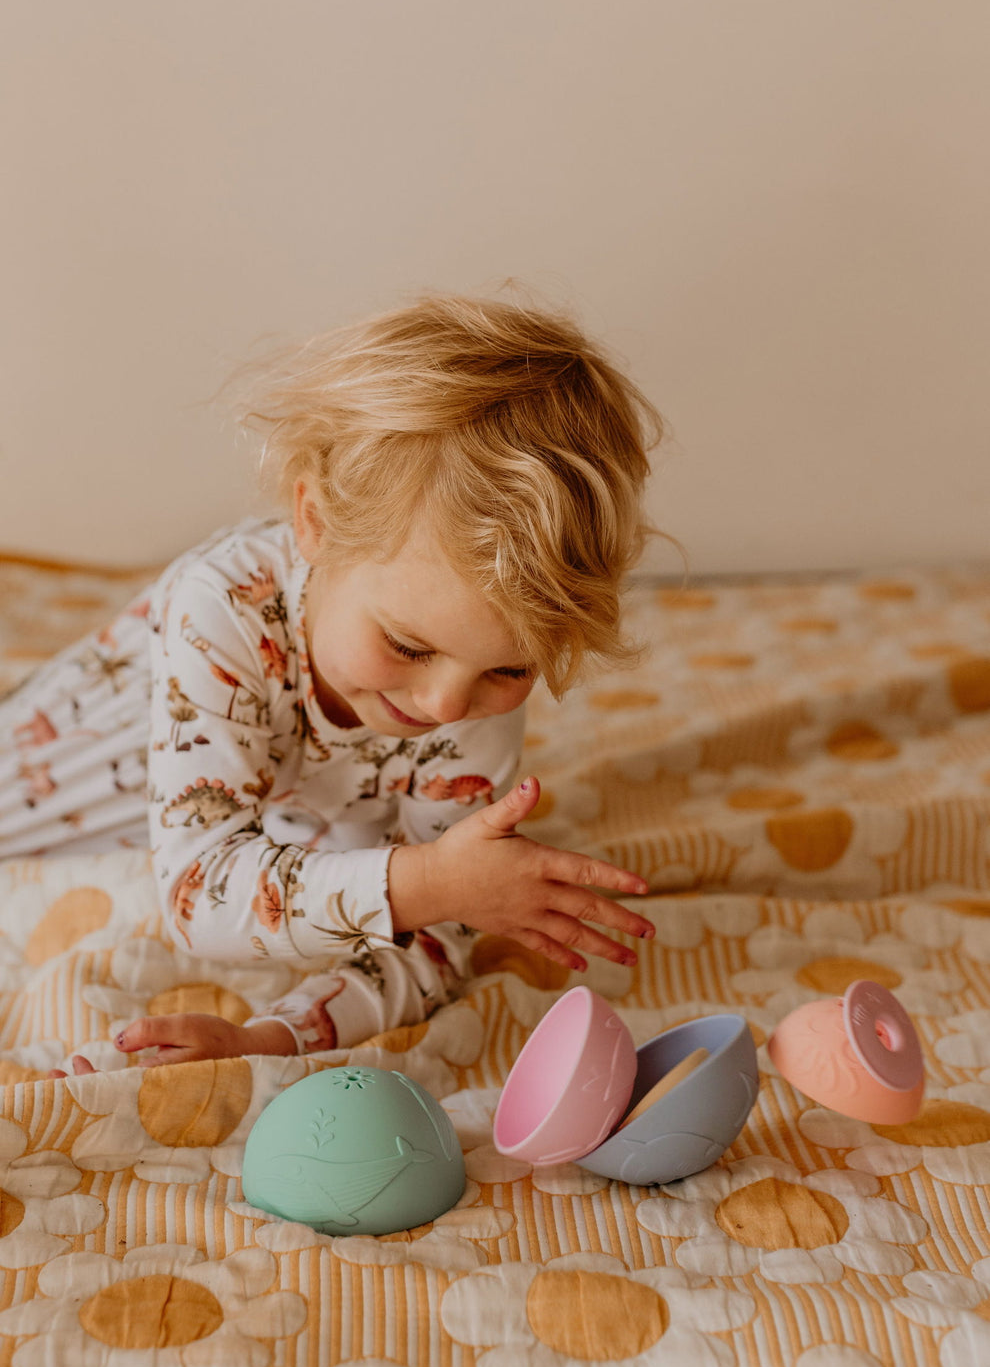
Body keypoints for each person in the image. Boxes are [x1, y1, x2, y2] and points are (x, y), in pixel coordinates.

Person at [0, 292, 664, 1075]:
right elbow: (201, 888)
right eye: (406, 644)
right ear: (313, 523)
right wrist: (431, 880)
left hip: (262, 830)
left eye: (509, 669)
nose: (447, 705)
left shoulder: (467, 685)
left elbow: (439, 935)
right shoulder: (222, 609)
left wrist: (275, 1035)